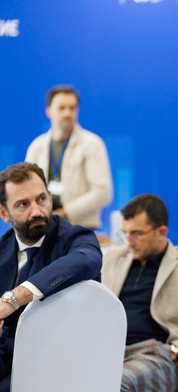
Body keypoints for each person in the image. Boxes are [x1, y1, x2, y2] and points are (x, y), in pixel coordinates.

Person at [101, 194, 178, 392]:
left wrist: (175, 350)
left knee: (117, 383)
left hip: (159, 356)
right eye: (125, 234)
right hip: (111, 352)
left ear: (161, 232)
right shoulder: (114, 258)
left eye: (136, 234)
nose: (129, 242)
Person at [0, 162, 102, 390]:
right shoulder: (2, 249)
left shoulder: (75, 239)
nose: (37, 211)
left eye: (41, 199)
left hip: (60, 364)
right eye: (23, 204)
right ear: (4, 213)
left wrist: (13, 299)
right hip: (8, 360)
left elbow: (87, 260)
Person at [25, 85, 113, 229]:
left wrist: (64, 213)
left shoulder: (91, 144)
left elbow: (102, 193)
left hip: (81, 227)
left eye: (72, 108)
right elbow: (27, 189)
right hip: (43, 227)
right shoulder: (37, 146)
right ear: (48, 111)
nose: (67, 113)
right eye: (61, 108)